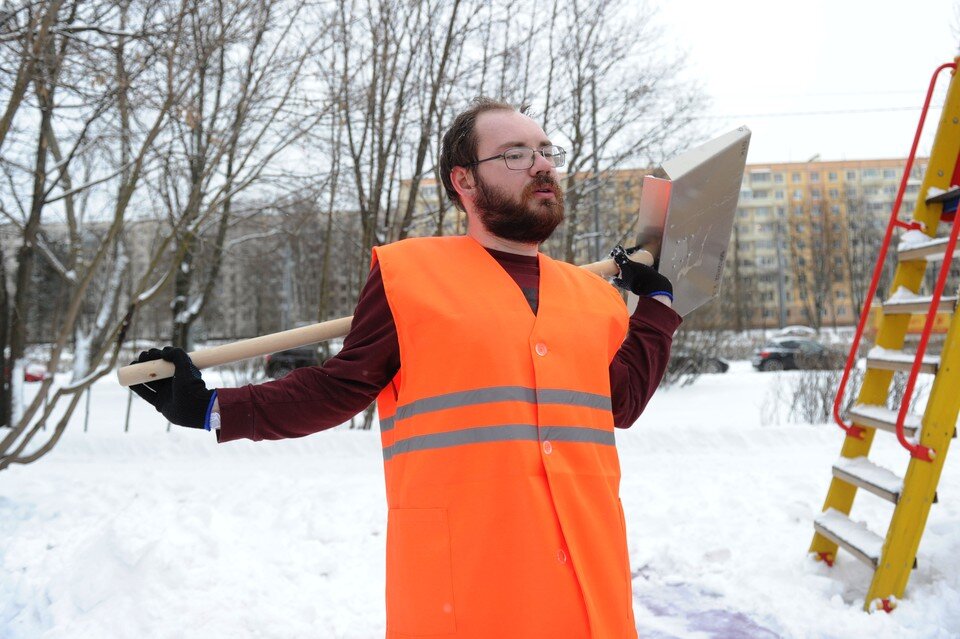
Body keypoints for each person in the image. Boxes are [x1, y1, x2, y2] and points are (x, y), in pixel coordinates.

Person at [131, 98, 682, 639]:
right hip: (469, 587)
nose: (541, 164)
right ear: (464, 182)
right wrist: (210, 409)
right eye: (515, 154)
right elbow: (339, 386)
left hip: (587, 582)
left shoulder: (594, 297)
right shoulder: (410, 277)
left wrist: (657, 309)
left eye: (545, 150)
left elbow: (621, 402)